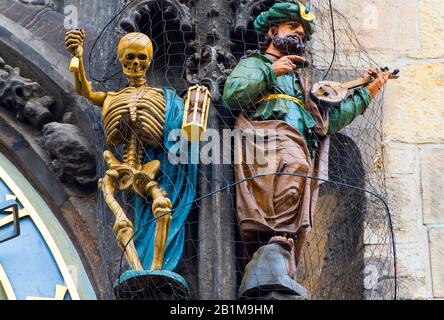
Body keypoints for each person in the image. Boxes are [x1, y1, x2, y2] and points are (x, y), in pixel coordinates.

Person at [222, 2, 390, 298]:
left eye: (301, 32)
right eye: (292, 27)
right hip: (265, 141)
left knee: (298, 175)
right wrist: (271, 72)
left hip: (298, 144)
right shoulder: (257, 64)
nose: (298, 34)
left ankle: (279, 247)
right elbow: (232, 96)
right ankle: (270, 247)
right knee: (292, 170)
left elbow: (325, 123)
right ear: (272, 31)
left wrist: (368, 92)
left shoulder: (301, 83)